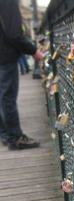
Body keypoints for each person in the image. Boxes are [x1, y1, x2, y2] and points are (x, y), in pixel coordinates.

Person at [0, 0, 43, 150]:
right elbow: (13, 33)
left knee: (3, 97)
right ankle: (16, 138)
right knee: (7, 97)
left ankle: (6, 135)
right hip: (4, 56)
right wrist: (33, 50)